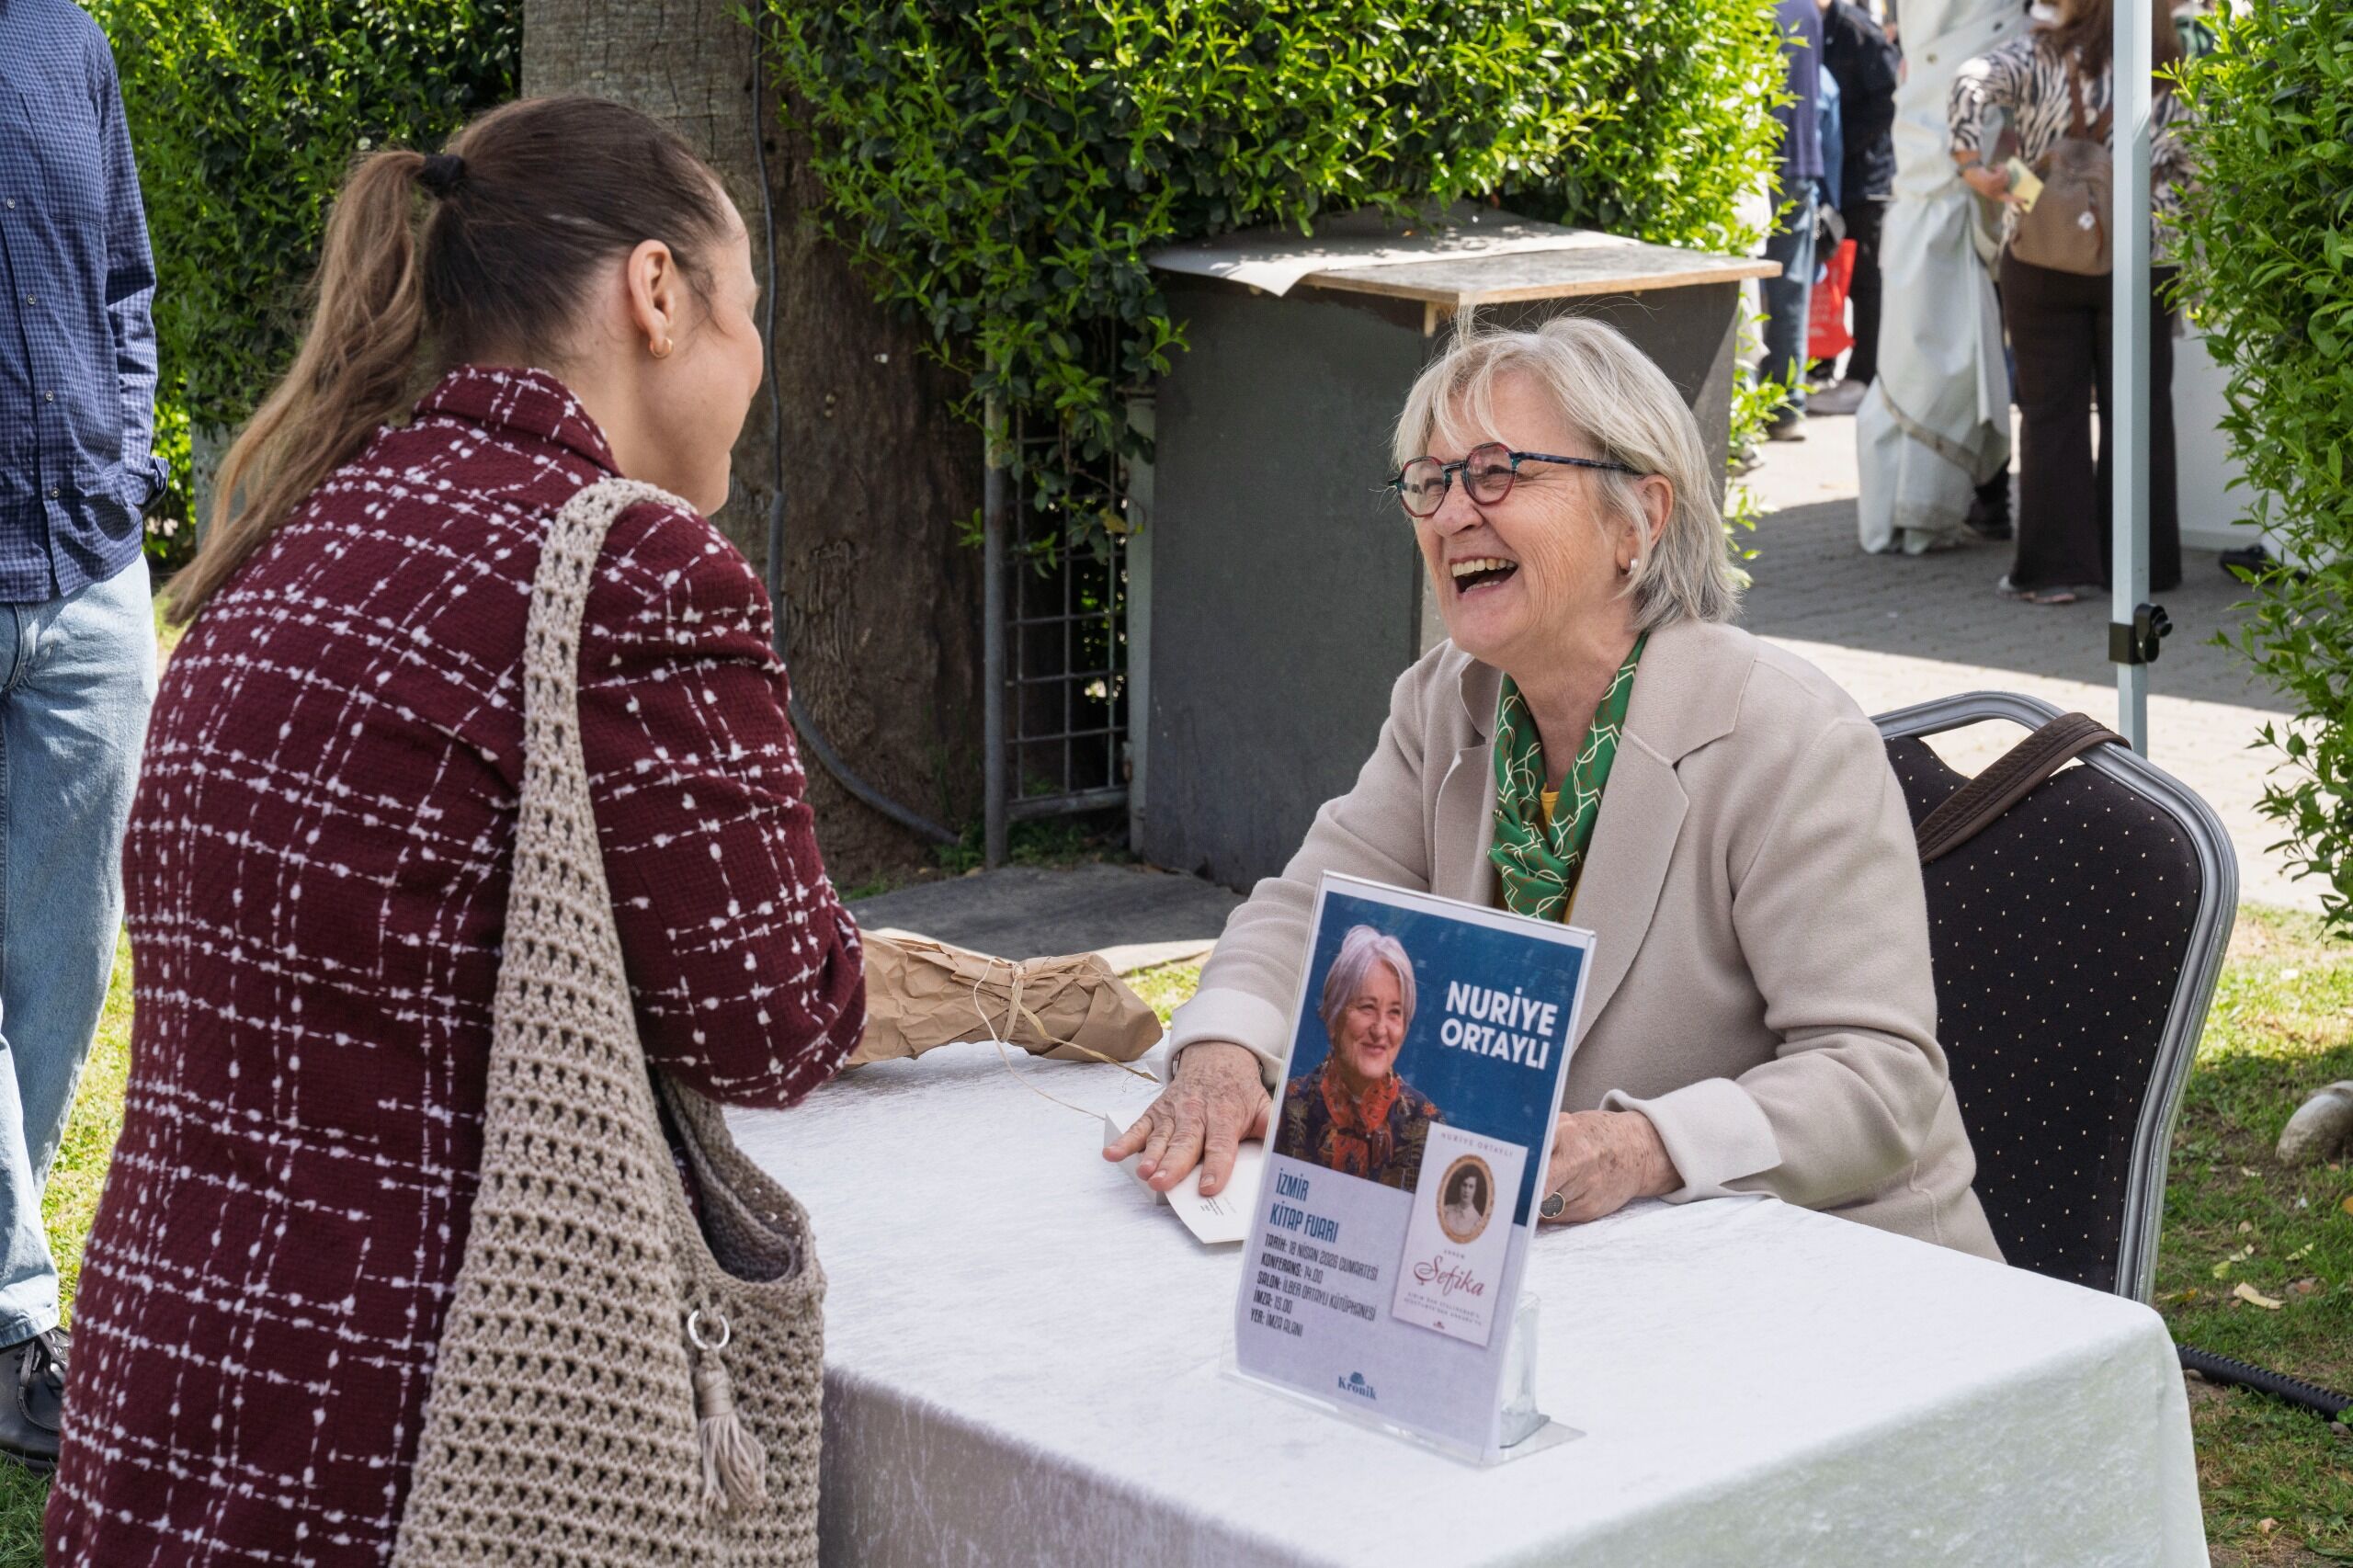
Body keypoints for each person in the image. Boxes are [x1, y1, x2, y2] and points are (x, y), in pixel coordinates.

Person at [45, 97, 867, 1564]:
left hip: (162, 1401)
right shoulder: (633, 564)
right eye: (750, 312)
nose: (757, 367)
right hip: (432, 1437)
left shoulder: (296, 532)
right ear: (658, 295)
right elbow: (774, 1016)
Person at [1110, 316, 1999, 1259]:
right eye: (1430, 481)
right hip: (1556, 1262)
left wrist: (1647, 1145)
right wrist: (1221, 1051)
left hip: (1837, 1268)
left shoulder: (1784, 735)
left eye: (1497, 472)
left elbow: (1877, 1079)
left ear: (1638, 518)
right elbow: (1308, 911)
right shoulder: (1445, 701)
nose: (1453, 513)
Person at [0, 0, 166, 1472]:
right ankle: (11, 1323)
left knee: (68, 956)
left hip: (88, 570)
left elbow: (124, 274)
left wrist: (126, 457)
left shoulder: (68, 35)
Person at [1950, 0, 2189, 604]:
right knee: (2141, 415)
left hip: (2042, 245)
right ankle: (2144, 567)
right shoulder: (2174, 66)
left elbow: (1967, 81)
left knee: (2051, 412)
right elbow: (2198, 170)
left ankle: (2058, 573)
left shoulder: (2039, 56)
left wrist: (1974, 166)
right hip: (2144, 255)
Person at [1857, 0, 2023, 554]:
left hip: (1965, 216)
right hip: (2015, 225)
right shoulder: (2019, 42)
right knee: (2014, 366)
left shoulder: (1968, 63)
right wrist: (2024, 195)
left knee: (1974, 355)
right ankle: (1990, 498)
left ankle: (1982, 497)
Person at [1276, 926, 1439, 1189]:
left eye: (1395, 1013)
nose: (1379, 1030)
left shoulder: (1427, 1125)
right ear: (1333, 1017)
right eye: (1367, 1008)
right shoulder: (1287, 1107)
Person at [1812, 0, 1903, 415]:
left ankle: (1863, 376)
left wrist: (1845, 143)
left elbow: (1890, 98)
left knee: (1866, 281)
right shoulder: (1819, 24)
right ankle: (1825, 363)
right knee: (1834, 274)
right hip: (1837, 174)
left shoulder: (1858, 30)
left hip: (1868, 178)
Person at [1761, 0, 1827, 442]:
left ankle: (1758, 409)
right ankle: (1787, 406)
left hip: (1758, 158)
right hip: (1801, 159)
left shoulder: (1753, 11)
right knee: (1790, 291)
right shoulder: (1806, 9)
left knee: (1749, 292)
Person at [1440, 1165, 1489, 1239]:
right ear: (1460, 1186)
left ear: (1475, 1190)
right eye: (1464, 1185)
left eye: (1471, 1187)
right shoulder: (1446, 1210)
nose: (1466, 1190)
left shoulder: (1477, 1222)